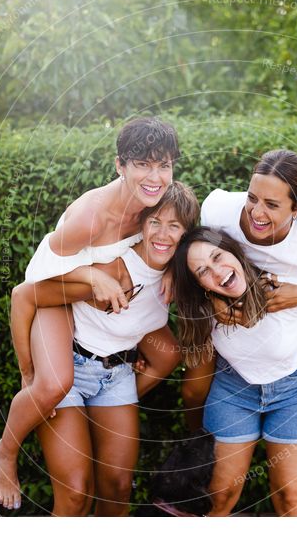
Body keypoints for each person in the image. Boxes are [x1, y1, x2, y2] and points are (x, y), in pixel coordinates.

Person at [0, 117, 183, 510]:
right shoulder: (89, 218)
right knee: (54, 383)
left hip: (102, 317)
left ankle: (103, 398)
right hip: (55, 299)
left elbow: (179, 233)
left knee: (117, 485)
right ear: (120, 166)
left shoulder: (155, 204)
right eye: (143, 164)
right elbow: (35, 281)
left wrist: (178, 270)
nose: (155, 176)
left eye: (163, 165)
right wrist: (92, 275)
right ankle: (5, 451)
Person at [185, 149, 297, 516]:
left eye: (271, 204)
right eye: (252, 198)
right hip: (241, 338)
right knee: (195, 392)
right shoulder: (220, 212)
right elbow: (194, 261)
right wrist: (211, 301)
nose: (256, 213)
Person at [10, 183, 199, 516]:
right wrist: (29, 372)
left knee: (118, 489)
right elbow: (27, 295)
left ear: (185, 234)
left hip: (117, 375)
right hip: (71, 366)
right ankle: (5, 453)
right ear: (141, 224)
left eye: (175, 226)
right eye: (155, 222)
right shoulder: (112, 268)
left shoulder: (174, 271)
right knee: (75, 496)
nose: (163, 234)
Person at [174, 227, 297, 517]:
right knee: (219, 498)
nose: (217, 272)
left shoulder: (282, 281)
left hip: (295, 389)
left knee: (290, 499)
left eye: (218, 256)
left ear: (236, 251)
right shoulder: (206, 310)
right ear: (200, 285)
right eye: (203, 271)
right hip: (233, 391)